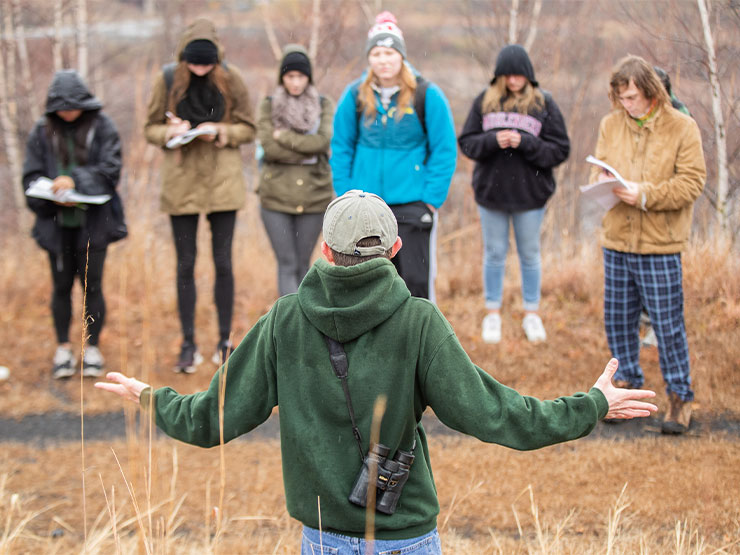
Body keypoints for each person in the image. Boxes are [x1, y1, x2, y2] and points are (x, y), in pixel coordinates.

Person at [96, 190, 657, 553]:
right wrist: (592, 405)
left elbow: (212, 419)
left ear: (324, 249)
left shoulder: (285, 320)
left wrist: (150, 396)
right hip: (406, 534)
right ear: (393, 248)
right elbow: (498, 416)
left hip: (324, 538)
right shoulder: (418, 322)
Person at [589, 55, 705, 434]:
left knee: (667, 326)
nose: (628, 105)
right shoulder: (611, 124)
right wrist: (604, 179)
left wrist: (643, 194)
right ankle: (624, 392)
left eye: (634, 97)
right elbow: (597, 168)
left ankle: (679, 398)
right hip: (617, 240)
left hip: (660, 244)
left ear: (652, 93)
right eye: (622, 98)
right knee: (619, 323)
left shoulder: (682, 127)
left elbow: (691, 184)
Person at [144, 19, 255, 373]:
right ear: (183, 58)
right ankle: (188, 342)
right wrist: (170, 131)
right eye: (194, 64)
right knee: (185, 264)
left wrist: (219, 130)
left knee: (223, 263)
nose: (201, 69)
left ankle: (224, 340)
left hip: (222, 182)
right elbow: (149, 127)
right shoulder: (166, 79)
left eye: (207, 64)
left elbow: (249, 126)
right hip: (182, 182)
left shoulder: (231, 78)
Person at [330, 11, 457, 302]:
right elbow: (341, 148)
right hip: (366, 207)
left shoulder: (427, 95)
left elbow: (445, 150)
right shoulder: (354, 96)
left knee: (415, 284)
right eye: (376, 53)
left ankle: (418, 343)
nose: (383, 60)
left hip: (413, 205)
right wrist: (346, 194)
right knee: (368, 285)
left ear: (400, 55)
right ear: (369, 58)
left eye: (389, 52)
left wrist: (430, 200)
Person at [458, 44, 570, 344]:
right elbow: (467, 143)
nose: (513, 81)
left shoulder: (544, 104)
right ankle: (492, 312)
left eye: (519, 75)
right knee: (494, 254)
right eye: (507, 75)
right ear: (499, 76)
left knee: (530, 255)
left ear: (528, 76)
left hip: (530, 197)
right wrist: (494, 140)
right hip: (491, 195)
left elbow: (560, 150)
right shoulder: (484, 101)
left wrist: (526, 144)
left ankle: (531, 312)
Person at [22, 69, 126, 379]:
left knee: (92, 286)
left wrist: (76, 181)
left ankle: (91, 348)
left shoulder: (103, 126)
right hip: (56, 225)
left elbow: (111, 171)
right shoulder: (41, 131)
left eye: (73, 105)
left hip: (94, 224)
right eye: (62, 107)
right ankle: (63, 348)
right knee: (60, 287)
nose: (68, 112)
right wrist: (51, 194)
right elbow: (29, 178)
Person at [256, 44, 334, 297]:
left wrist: (285, 138)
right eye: (290, 76)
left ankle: (306, 323)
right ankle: (288, 324)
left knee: (304, 264)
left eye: (301, 76)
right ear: (283, 77)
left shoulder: (323, 105)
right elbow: (269, 148)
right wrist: (306, 150)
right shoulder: (269, 105)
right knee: (286, 262)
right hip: (276, 196)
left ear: (308, 77)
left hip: (314, 196)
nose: (296, 83)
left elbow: (322, 142)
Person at [639, 66, 691, 349]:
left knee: (666, 282)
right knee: (638, 278)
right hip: (634, 209)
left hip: (666, 213)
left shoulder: (681, 119)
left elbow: (686, 176)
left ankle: (663, 329)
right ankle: (646, 323)